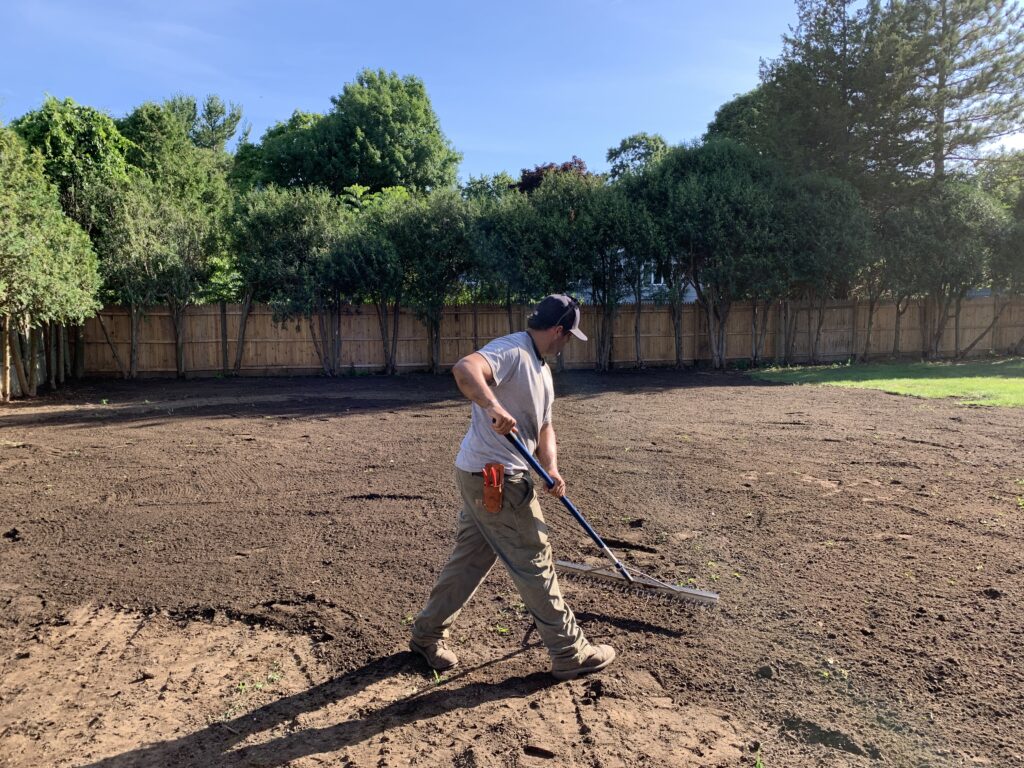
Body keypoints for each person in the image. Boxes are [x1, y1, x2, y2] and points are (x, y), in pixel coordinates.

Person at [409, 294, 616, 681]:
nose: (567, 343)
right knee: (534, 557)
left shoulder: (543, 370)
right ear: (558, 331)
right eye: (568, 336)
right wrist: (491, 406)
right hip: (496, 478)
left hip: (480, 476)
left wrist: (550, 467)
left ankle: (426, 636)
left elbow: (545, 426)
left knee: (470, 559)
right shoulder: (512, 351)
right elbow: (465, 369)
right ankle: (570, 651)